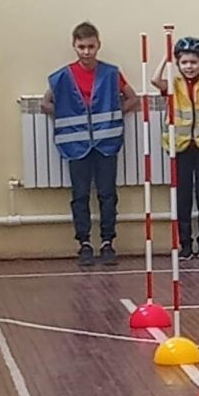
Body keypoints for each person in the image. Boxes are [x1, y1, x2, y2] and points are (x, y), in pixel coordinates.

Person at [41, 21, 139, 267]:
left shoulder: (111, 73)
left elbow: (132, 98)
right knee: (80, 195)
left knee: (107, 194)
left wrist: (115, 116)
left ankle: (108, 242)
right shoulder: (62, 76)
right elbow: (45, 104)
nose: (86, 51)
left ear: (98, 45)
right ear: (74, 46)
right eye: (81, 46)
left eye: (91, 46)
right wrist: (66, 119)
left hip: (106, 142)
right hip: (75, 145)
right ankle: (84, 243)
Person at [152, 37, 199, 259]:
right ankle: (185, 243)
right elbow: (156, 79)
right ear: (178, 64)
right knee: (182, 198)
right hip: (180, 149)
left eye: (194, 62)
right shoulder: (174, 85)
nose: (189, 67)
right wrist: (167, 55)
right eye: (184, 62)